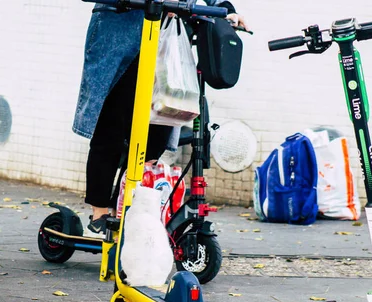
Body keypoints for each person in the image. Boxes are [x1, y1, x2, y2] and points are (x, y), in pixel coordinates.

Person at [73, 1, 247, 237]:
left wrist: (226, 9)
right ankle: (99, 214)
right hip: (122, 34)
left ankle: (123, 206)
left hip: (165, 41)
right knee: (111, 127)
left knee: (158, 132)